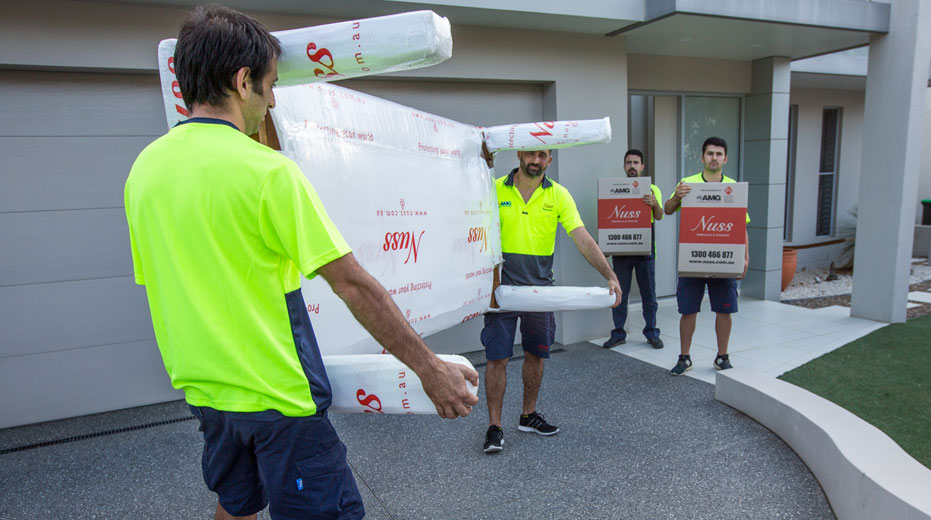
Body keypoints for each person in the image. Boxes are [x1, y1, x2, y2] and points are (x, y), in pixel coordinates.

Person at [124, 6, 478, 520]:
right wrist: (430, 370)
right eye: (269, 85)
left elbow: (161, 278)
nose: (271, 100)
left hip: (207, 397)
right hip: (280, 404)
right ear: (242, 81)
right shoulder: (268, 174)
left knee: (236, 506)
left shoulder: (144, 171)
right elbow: (352, 285)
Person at [481, 148, 622, 454]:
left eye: (542, 155)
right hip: (500, 289)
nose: (536, 160)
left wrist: (608, 274)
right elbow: (474, 230)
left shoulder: (558, 195)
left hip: (541, 290)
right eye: (531, 154)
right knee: (497, 358)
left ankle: (528, 416)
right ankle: (494, 427)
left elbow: (582, 237)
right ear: (520, 154)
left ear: (550, 160)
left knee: (536, 354)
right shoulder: (494, 189)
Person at [663, 137, 749, 375]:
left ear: (725, 159)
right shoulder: (688, 183)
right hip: (694, 260)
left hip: (724, 259)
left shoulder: (734, 186)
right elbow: (668, 209)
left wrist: (745, 257)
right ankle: (684, 357)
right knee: (688, 310)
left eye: (719, 154)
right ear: (702, 157)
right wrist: (678, 196)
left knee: (725, 310)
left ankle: (722, 356)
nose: (714, 158)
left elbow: (741, 226)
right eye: (710, 154)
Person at [602, 149, 664, 350]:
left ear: (642, 166)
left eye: (636, 162)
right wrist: (607, 243)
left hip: (645, 252)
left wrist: (654, 204)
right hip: (622, 252)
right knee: (620, 295)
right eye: (628, 162)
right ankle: (618, 334)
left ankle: (652, 333)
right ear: (624, 166)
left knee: (649, 296)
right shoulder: (614, 188)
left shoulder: (652, 188)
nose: (632, 166)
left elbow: (660, 215)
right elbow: (610, 218)